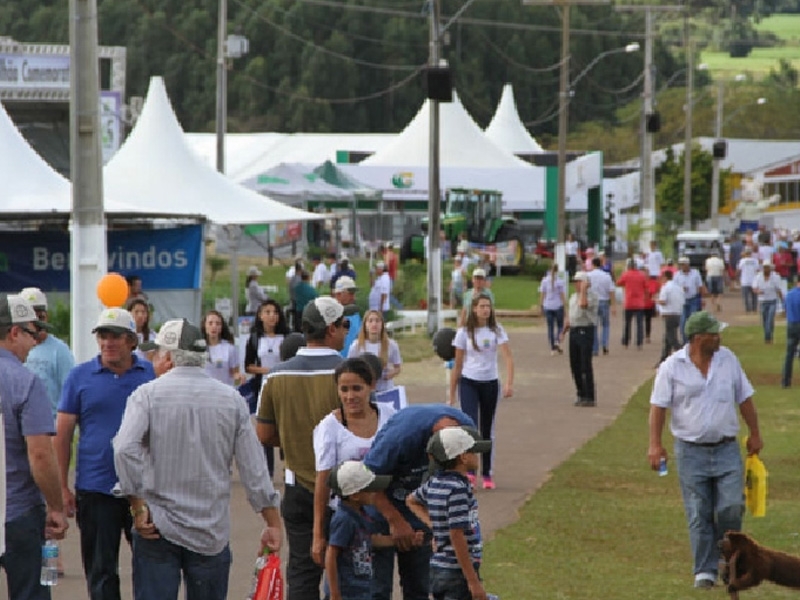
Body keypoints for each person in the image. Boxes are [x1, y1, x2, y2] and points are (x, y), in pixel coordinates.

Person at [113, 319, 283, 600]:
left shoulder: (146, 396)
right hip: (210, 528)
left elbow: (123, 448)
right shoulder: (231, 399)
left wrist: (137, 504)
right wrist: (272, 521)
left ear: (168, 357)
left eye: (156, 354)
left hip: (157, 524)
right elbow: (254, 469)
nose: (153, 360)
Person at [648, 311, 763, 589]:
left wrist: (755, 433)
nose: (719, 337)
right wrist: (655, 444)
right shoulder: (672, 367)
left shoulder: (728, 360)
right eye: (714, 334)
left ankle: (729, 559)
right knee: (699, 512)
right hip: (691, 452)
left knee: (731, 507)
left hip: (726, 449)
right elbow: (658, 407)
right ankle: (705, 570)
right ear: (699, 338)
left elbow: (744, 398)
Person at [55, 308, 155, 600]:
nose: (108, 343)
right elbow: (62, 435)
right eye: (103, 336)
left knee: (150, 569)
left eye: (116, 337)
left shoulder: (150, 374)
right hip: (96, 489)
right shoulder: (80, 376)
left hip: (145, 487)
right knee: (101, 572)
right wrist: (61, 486)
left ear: (132, 341)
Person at [256, 297, 347, 600]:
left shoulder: (276, 375)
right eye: (344, 325)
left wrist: (296, 438)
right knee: (348, 574)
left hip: (297, 487)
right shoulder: (350, 374)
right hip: (346, 489)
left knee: (302, 574)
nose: (346, 331)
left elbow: (264, 433)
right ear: (331, 329)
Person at [363, 404, 475, 600]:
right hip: (381, 508)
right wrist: (395, 521)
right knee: (377, 590)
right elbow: (367, 480)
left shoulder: (466, 430)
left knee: (419, 588)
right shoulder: (400, 439)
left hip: (419, 514)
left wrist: (436, 524)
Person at [0, 293, 69, 600]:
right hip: (18, 514)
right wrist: (55, 506)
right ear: (14, 332)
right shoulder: (25, 382)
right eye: (32, 333)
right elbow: (40, 454)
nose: (35, 341)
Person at [311, 358, 396, 571]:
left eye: (357, 388)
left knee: (379, 584)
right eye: (344, 389)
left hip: (382, 514)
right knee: (349, 581)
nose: (350, 396)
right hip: (347, 516)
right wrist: (318, 534)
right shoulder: (329, 427)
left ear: (372, 386)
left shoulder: (390, 416)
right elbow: (323, 481)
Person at [406, 427, 492, 600]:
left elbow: (411, 500)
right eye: (473, 451)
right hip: (457, 572)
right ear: (463, 457)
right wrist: (473, 582)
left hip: (439, 569)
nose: (477, 456)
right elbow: (456, 535)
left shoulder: (435, 483)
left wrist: (436, 527)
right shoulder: (458, 490)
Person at [448, 294, 514, 489]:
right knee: (470, 428)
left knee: (487, 429)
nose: (486, 309)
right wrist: (451, 393)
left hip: (490, 382)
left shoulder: (496, 330)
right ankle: (469, 471)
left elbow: (508, 358)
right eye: (482, 306)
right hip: (469, 382)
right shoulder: (463, 333)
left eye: (488, 306)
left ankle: (487, 473)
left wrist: (509, 383)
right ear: (474, 309)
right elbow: (457, 365)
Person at [326, 461, 395, 600]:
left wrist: (396, 541)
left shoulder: (361, 513)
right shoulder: (344, 519)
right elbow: (331, 555)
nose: (375, 493)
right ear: (355, 495)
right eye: (369, 489)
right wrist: (335, 594)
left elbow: (369, 540)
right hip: (347, 592)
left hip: (361, 590)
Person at [245, 299, 291, 477]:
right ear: (261, 316)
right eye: (268, 312)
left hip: (284, 387)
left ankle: (289, 466)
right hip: (263, 388)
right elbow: (248, 365)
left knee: (285, 427)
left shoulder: (287, 337)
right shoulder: (255, 338)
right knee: (265, 428)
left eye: (275, 312)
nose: (272, 316)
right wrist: (266, 370)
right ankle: (268, 470)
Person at [20, 287, 75, 418]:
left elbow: (70, 394)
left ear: (46, 316)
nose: (36, 322)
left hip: (49, 426)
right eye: (31, 316)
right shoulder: (14, 349)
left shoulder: (60, 350)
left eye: (40, 316)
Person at [561, 271, 599, 407]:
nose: (576, 284)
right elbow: (570, 316)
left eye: (579, 282)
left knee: (585, 364)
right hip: (574, 330)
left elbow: (583, 305)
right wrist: (564, 331)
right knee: (575, 364)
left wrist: (584, 290)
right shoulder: (573, 297)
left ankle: (589, 395)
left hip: (586, 329)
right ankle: (580, 393)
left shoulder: (592, 297)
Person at [347, 310, 402, 392]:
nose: (374, 324)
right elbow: (349, 367)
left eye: (377, 321)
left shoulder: (391, 345)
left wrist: (389, 375)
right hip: (364, 390)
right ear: (365, 325)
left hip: (385, 389)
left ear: (382, 324)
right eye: (370, 321)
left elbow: (397, 367)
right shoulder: (356, 345)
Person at [201, 309, 241, 386]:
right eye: (210, 323)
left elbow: (235, 373)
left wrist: (238, 377)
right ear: (204, 326)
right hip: (205, 392)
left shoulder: (229, 348)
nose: (214, 326)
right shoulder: (199, 348)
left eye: (218, 324)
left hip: (224, 391)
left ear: (221, 327)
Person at [587, 257, 615, 356]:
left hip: (593, 302)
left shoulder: (588, 275)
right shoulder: (606, 276)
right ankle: (605, 344)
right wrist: (613, 305)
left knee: (594, 326)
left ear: (593, 264)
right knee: (605, 324)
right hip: (604, 301)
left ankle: (595, 348)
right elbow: (611, 291)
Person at [674, 256, 706, 343]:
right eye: (681, 265)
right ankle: (685, 341)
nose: (682, 267)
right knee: (683, 321)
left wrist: (702, 298)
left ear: (687, 265)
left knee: (693, 321)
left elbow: (700, 286)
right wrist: (681, 289)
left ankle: (694, 339)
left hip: (693, 299)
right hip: (682, 300)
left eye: (683, 265)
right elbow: (674, 288)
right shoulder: (677, 275)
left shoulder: (695, 273)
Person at [617, 259, 648, 349]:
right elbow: (646, 288)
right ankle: (639, 343)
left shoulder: (626, 274)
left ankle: (626, 342)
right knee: (639, 324)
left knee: (627, 323)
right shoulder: (641, 275)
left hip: (628, 303)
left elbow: (618, 283)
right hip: (639, 303)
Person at [656, 270, 685, 366]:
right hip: (678, 313)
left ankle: (683, 353)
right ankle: (664, 358)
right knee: (667, 338)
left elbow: (663, 301)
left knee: (671, 338)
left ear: (665, 277)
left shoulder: (666, 287)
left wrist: (656, 301)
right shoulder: (678, 287)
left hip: (669, 314)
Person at [752, 259, 784, 344]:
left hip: (772, 301)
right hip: (763, 301)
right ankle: (768, 336)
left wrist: (782, 301)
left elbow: (778, 290)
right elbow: (754, 287)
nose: (766, 269)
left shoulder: (775, 277)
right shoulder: (758, 276)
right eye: (765, 267)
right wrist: (757, 291)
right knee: (765, 320)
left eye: (767, 268)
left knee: (770, 319)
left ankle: (768, 337)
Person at [539, 263, 566, 356]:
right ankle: (557, 341)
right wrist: (565, 307)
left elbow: (542, 294)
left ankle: (552, 347)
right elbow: (562, 295)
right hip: (558, 305)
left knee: (550, 327)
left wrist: (541, 306)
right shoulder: (560, 281)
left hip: (548, 305)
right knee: (560, 326)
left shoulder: (544, 281)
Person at [333, 276, 361, 358]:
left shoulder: (355, 314)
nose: (353, 297)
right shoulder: (330, 316)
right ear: (338, 294)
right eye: (350, 294)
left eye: (354, 294)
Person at [781, 278, 800, 388]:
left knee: (789, 354)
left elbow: (786, 309)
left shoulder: (789, 294)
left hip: (791, 324)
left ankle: (786, 381)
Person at [127, 297, 156, 362]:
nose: (140, 315)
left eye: (143, 312)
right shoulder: (123, 335)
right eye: (136, 312)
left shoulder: (151, 336)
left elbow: (151, 361)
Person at [736, 247, 759, 313]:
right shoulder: (755, 261)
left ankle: (748, 309)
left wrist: (737, 278)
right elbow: (757, 270)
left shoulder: (742, 261)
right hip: (753, 281)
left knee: (745, 297)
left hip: (745, 281)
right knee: (754, 296)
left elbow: (739, 270)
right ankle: (754, 308)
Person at [643, 264, 660, 345]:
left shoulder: (654, 282)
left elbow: (657, 292)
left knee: (648, 320)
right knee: (640, 321)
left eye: (646, 272)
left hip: (650, 304)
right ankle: (640, 336)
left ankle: (647, 335)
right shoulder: (640, 281)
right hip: (640, 304)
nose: (645, 274)